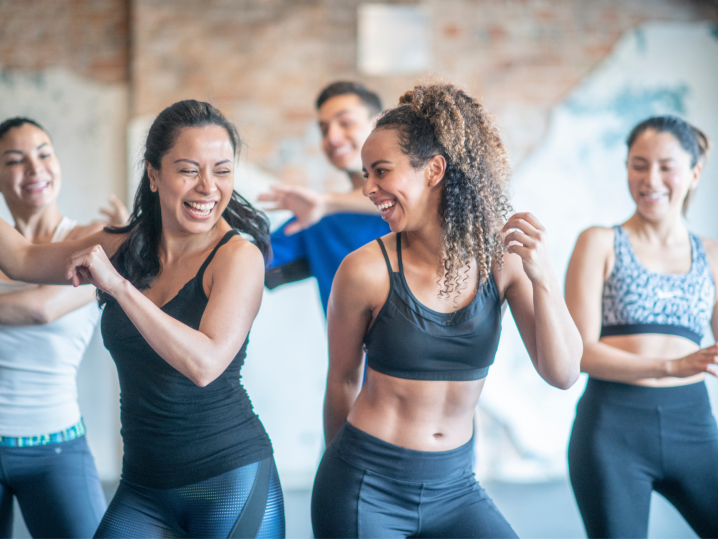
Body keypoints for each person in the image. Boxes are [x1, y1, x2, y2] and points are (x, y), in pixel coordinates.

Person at [0, 101, 285, 539]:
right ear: (154, 174)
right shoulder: (126, 244)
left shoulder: (237, 257)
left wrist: (118, 287)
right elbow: (20, 259)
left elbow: (205, 364)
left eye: (222, 170)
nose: (208, 187)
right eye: (189, 169)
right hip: (143, 487)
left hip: (228, 479)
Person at [310, 83, 582, 539]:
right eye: (365, 175)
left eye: (381, 172)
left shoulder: (503, 259)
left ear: (434, 169)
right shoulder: (363, 271)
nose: (369, 189)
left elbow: (563, 371)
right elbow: (341, 380)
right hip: (365, 482)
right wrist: (341, 481)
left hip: (456, 487)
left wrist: (544, 276)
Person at [565, 116, 718, 538]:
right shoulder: (598, 242)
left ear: (694, 173)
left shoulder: (713, 255)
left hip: (694, 427)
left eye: (666, 166)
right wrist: (671, 365)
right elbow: (578, 353)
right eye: (639, 164)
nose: (651, 179)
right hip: (612, 431)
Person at [0, 117, 127, 538]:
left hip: (55, 447)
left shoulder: (92, 238)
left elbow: (42, 308)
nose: (35, 169)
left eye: (43, 154)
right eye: (15, 160)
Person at [261, 81, 390, 314]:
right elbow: (253, 261)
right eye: (324, 129)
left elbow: (415, 200)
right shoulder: (319, 218)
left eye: (346, 123)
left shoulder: (426, 199)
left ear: (379, 124)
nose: (332, 137)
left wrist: (327, 203)